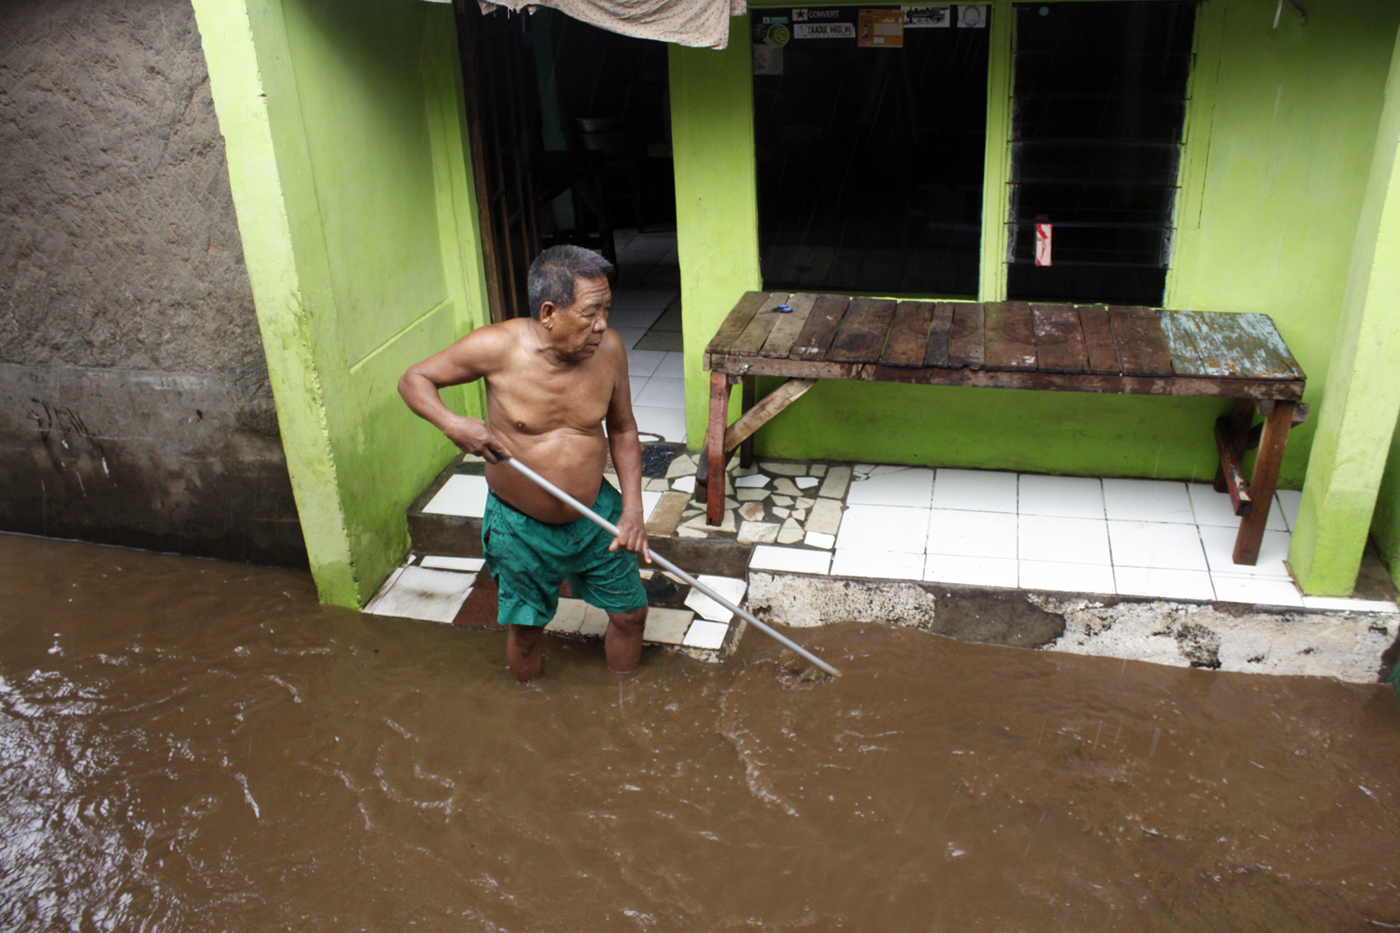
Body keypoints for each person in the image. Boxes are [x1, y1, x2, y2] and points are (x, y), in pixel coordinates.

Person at [398, 245, 650, 683]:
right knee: (528, 633)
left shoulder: (609, 350)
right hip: (520, 528)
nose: (602, 325)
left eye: (606, 309)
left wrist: (632, 510)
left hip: (596, 518)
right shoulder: (496, 347)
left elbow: (624, 429)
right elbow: (414, 379)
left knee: (630, 615)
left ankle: (626, 714)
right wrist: (452, 424)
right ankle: (530, 720)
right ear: (549, 312)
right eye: (591, 313)